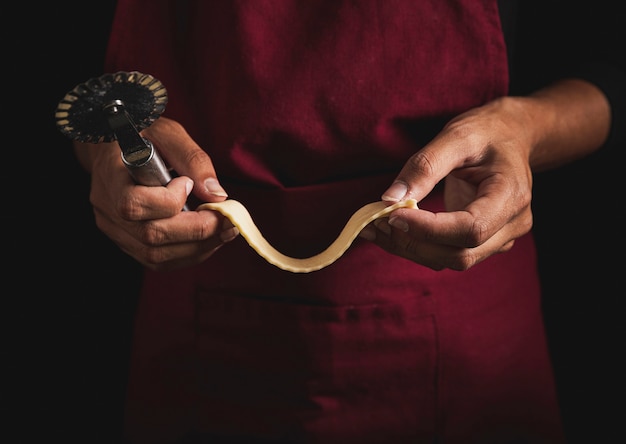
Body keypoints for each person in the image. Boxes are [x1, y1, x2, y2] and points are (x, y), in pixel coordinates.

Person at [68, 1, 624, 443]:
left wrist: (525, 127)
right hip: (197, 304)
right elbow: (62, 63)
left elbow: (609, 64)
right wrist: (106, 152)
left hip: (463, 309)